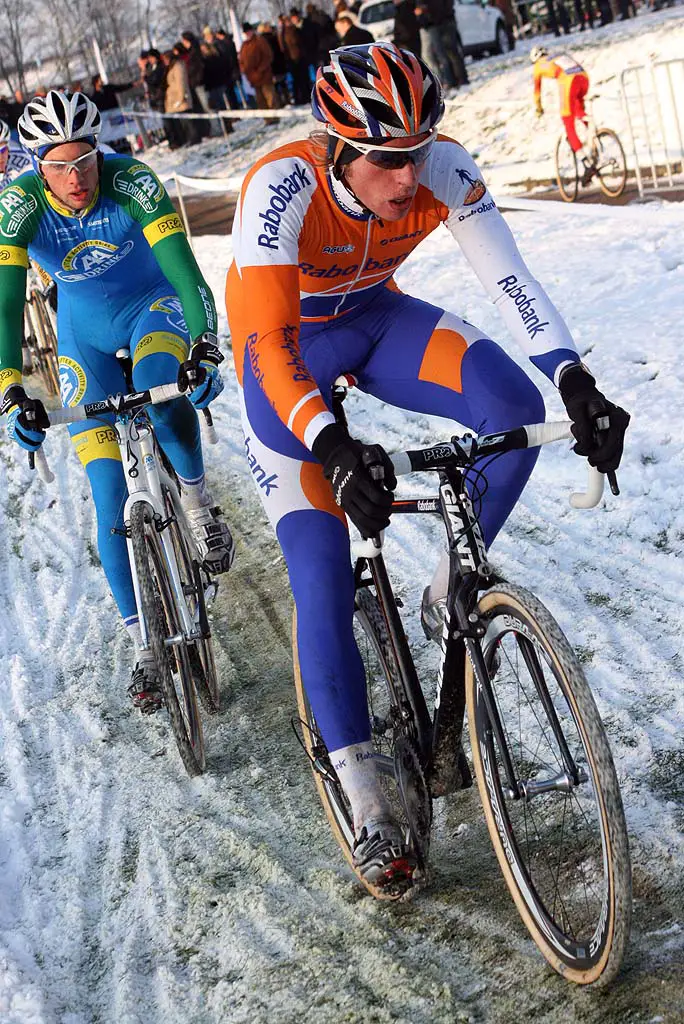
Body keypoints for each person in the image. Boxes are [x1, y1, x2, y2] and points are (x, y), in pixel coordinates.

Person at [225, 42, 629, 891]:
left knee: (512, 410)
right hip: (284, 361)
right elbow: (265, 345)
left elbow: (510, 278)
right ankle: (367, 797)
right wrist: (333, 448)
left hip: (377, 320)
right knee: (323, 578)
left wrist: (575, 379)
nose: (406, 179)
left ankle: (450, 581)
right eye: (383, 161)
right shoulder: (281, 187)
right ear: (335, 147)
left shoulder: (441, 167)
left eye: (415, 155)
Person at [0, 91, 234, 712]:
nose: (76, 178)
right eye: (58, 166)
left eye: (85, 160)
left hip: (149, 310)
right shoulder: (18, 206)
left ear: (99, 153)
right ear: (35, 165)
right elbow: (3, 306)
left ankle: (196, 496)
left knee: (162, 397)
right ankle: (144, 646)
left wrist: (205, 345)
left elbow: (186, 275)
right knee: (108, 500)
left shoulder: (132, 180)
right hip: (83, 338)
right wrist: (9, 390)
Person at [531, 47, 590, 176]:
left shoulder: (537, 66)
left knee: (567, 121)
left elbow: (537, 91)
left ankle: (585, 162)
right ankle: (593, 138)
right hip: (583, 77)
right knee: (579, 111)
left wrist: (539, 108)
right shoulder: (558, 54)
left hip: (569, 81)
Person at [239, 23, 280, 121]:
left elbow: (268, 56)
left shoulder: (260, 41)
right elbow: (241, 60)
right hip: (253, 78)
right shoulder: (244, 45)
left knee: (270, 98)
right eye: (245, 32)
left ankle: (275, 117)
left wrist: (260, 70)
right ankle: (268, 119)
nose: (247, 34)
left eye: (248, 31)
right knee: (260, 100)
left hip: (264, 75)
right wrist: (244, 70)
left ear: (252, 31)